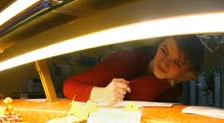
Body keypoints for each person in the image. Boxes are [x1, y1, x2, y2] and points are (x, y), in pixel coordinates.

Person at [63, 35, 204, 106]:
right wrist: (101, 94)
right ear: (158, 45)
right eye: (164, 50)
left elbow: (136, 102)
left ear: (186, 73)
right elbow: (69, 86)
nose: (164, 62)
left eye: (177, 62)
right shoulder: (126, 60)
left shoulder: (175, 88)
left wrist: (169, 82)